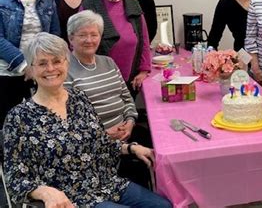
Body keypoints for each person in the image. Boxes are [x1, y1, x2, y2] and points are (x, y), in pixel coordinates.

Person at [3, 32, 172, 207]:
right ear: (31, 70)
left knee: (163, 205)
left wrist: (131, 148)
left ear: (66, 63)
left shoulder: (79, 99)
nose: (51, 69)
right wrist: (44, 192)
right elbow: (14, 178)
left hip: (106, 184)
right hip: (69, 200)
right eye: (42, 63)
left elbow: (100, 143)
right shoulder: (19, 117)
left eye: (57, 61)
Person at [64, 10, 153, 188]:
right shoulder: (65, 70)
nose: (89, 40)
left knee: (154, 144)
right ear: (71, 38)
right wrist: (104, 135)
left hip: (126, 132)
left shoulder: (108, 62)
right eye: (82, 35)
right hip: (95, 143)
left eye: (94, 34)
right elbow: (70, 119)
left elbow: (127, 98)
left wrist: (130, 122)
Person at [0, 0, 60, 127]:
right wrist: (24, 65)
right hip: (8, 71)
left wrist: (49, 64)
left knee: (38, 125)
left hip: (41, 70)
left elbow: (54, 34)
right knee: (9, 124)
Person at [82, 0, 151, 98]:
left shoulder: (133, 5)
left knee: (128, 116)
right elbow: (77, 44)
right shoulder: (88, 7)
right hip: (97, 80)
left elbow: (143, 40)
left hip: (129, 78)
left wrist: (143, 71)